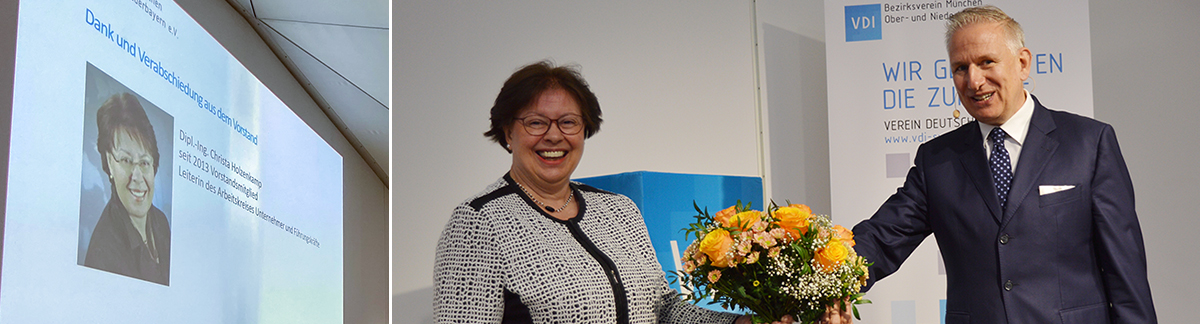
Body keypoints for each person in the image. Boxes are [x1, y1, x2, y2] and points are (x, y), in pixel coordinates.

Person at [846, 5, 1156, 323]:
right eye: (960, 68)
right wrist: (818, 273)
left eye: (986, 62)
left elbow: (1125, 273)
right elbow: (882, 239)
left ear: (1022, 63)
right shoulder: (937, 160)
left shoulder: (1089, 143)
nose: (974, 81)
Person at [434, 61, 785, 323]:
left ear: (585, 130)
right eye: (536, 122)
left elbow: (663, 310)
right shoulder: (479, 222)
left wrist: (741, 322)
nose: (554, 136)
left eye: (568, 122)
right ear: (508, 132)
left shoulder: (619, 211)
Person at [84, 92, 171, 285]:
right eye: (126, 160)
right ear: (109, 162)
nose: (137, 177)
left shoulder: (161, 223)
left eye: (144, 162)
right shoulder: (103, 252)